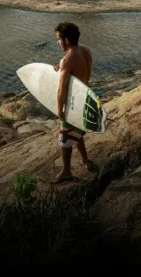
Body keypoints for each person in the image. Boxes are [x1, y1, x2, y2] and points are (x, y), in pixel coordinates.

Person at [52, 22, 99, 183]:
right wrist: (62, 67)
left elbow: (62, 90)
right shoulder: (85, 51)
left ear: (66, 40)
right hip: (85, 97)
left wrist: (60, 110)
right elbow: (83, 76)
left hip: (73, 102)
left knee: (65, 136)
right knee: (76, 132)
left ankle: (66, 172)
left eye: (58, 39)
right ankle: (86, 161)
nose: (58, 42)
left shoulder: (68, 59)